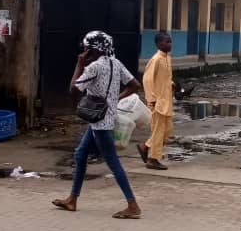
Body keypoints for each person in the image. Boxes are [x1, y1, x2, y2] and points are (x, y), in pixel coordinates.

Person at [52, 30, 142, 218]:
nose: (84, 50)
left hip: (99, 122)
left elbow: (73, 89)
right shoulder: (116, 63)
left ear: (92, 48)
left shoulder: (94, 67)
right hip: (105, 118)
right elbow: (135, 85)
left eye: (86, 47)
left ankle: (133, 205)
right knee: (80, 154)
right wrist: (115, 98)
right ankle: (72, 199)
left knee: (113, 163)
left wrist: (79, 64)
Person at [137, 31, 174, 171]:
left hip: (167, 100)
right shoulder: (156, 59)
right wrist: (151, 100)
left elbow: (164, 78)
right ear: (159, 43)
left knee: (167, 130)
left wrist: (171, 84)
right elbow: (147, 80)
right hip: (157, 102)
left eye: (170, 41)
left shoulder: (167, 58)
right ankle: (153, 159)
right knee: (159, 131)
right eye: (166, 41)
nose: (169, 44)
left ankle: (145, 146)